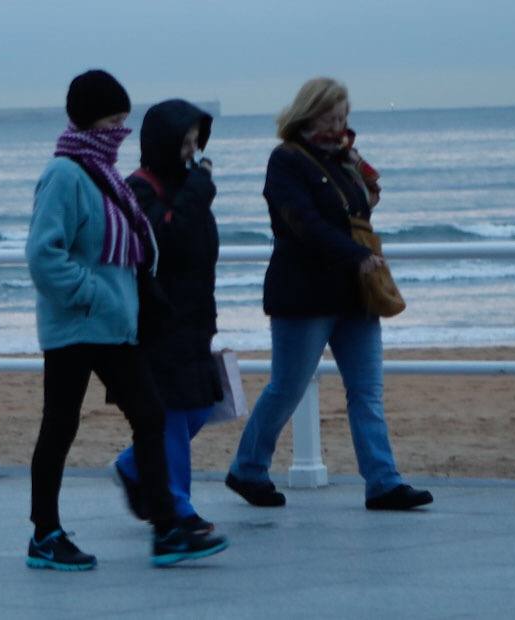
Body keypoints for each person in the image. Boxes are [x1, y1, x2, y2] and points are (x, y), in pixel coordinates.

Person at [25, 70, 227, 570]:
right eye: (113, 120)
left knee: (151, 416)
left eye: (123, 120)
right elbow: (43, 254)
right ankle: (45, 534)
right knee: (60, 427)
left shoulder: (106, 173)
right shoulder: (65, 175)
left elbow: (132, 246)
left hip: (115, 326)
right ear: (91, 120)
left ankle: (166, 530)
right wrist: (92, 293)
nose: (121, 130)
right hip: (76, 327)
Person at [225, 77, 433, 511]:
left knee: (367, 390)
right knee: (288, 387)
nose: (338, 125)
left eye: (343, 117)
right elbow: (303, 224)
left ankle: (383, 482)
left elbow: (354, 211)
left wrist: (364, 188)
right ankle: (248, 468)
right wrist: (355, 255)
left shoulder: (344, 159)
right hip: (304, 293)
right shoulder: (285, 161)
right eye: (330, 116)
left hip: (354, 294)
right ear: (307, 113)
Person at [113, 99, 220, 534]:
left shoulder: (184, 185)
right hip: (157, 319)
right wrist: (201, 188)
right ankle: (178, 507)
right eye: (185, 142)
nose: (193, 151)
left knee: (200, 408)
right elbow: (168, 237)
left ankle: (133, 463)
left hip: (194, 315)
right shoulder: (139, 189)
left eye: (197, 141)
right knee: (174, 412)